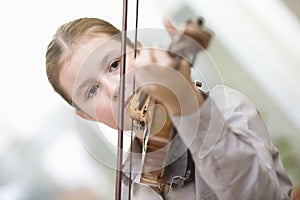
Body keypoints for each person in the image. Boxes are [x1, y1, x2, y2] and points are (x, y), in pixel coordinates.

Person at [45, 17, 293, 199]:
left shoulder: (225, 106)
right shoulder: (131, 186)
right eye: (92, 91)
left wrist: (188, 105)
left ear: (139, 51)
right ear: (87, 116)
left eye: (115, 64)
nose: (115, 87)